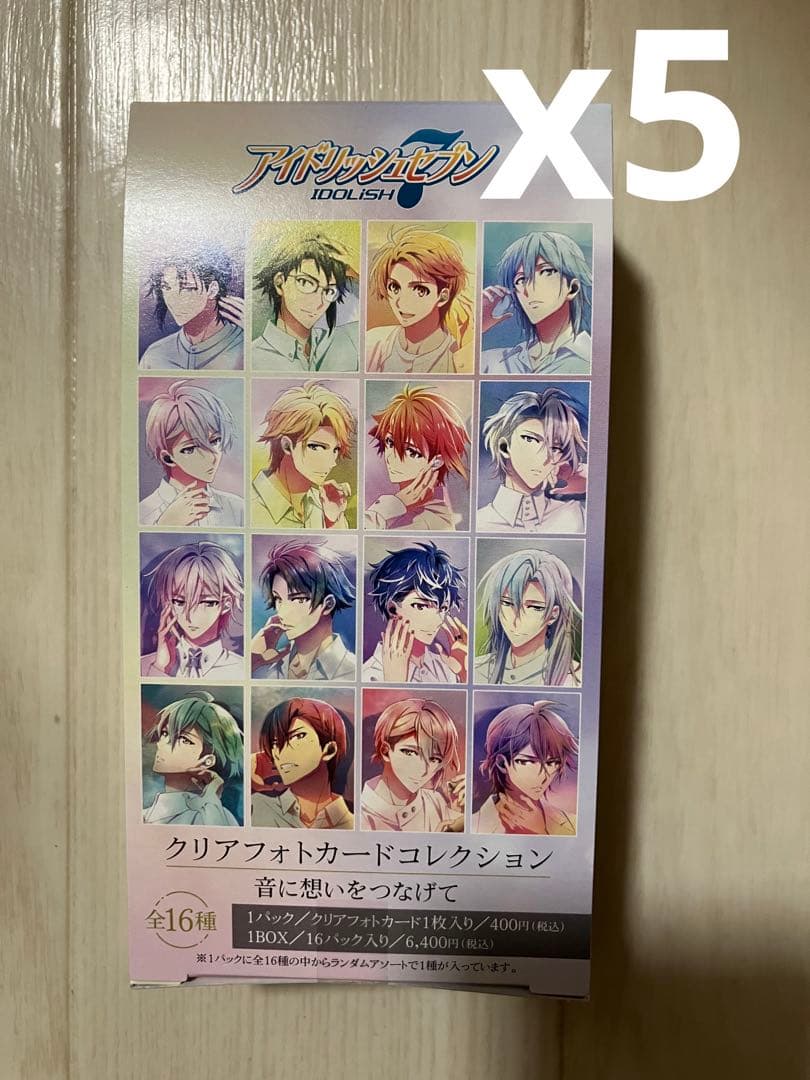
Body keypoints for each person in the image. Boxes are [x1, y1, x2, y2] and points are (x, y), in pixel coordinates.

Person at [481, 229, 592, 375]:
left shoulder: (591, 359)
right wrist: (476, 326)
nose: (529, 287)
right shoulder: (492, 361)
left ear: (572, 288)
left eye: (546, 272)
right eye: (521, 279)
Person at [477, 387, 587, 533]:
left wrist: (590, 481)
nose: (545, 457)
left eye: (555, 448)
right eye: (530, 440)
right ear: (504, 447)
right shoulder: (480, 523)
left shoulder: (576, 514)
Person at [366, 225, 473, 373]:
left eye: (419, 290)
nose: (401, 302)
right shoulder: (373, 343)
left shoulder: (457, 357)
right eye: (394, 287)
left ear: (443, 296)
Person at [252, 381, 356, 529]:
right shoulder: (250, 505)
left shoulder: (324, 503)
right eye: (317, 447)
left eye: (335, 450)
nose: (331, 463)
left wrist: (333, 521)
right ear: (287, 446)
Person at [365, 384, 469, 531]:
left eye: (411, 451)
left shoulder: (427, 520)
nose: (391, 458)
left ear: (437, 461)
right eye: (390, 442)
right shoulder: (405, 506)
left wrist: (389, 507)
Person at [139, 380, 244, 526]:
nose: (211, 456)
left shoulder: (237, 508)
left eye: (215, 441)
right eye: (191, 449)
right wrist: (165, 525)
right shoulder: (143, 514)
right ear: (168, 458)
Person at [251, 539, 356, 681]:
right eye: (278, 599)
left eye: (298, 599)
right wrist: (253, 660)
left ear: (328, 604)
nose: (282, 612)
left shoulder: (351, 671)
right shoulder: (265, 665)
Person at [363, 542, 466, 684]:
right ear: (392, 608)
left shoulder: (446, 667)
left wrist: (464, 675)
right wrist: (394, 683)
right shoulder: (371, 674)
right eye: (421, 606)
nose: (437, 621)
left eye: (443, 608)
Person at [252, 232, 358, 371]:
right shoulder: (254, 357)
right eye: (306, 282)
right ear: (280, 283)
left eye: (328, 291)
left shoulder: (342, 340)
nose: (318, 303)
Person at [475, 549, 582, 686]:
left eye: (534, 607)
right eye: (507, 603)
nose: (516, 619)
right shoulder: (476, 670)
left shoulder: (575, 680)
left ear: (553, 614)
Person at [473, 700, 578, 835]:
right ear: (501, 763)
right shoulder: (474, 825)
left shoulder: (572, 824)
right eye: (529, 762)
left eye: (552, 763)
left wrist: (542, 832)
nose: (543, 776)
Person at [140, 542, 244, 678]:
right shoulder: (145, 666)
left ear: (226, 604)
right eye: (179, 601)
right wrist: (160, 668)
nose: (191, 616)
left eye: (207, 602)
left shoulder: (241, 669)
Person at [360, 698, 464, 832]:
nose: (423, 769)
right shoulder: (361, 813)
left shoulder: (435, 801)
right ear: (385, 751)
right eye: (411, 752)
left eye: (434, 758)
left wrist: (456, 811)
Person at [251, 697, 354, 829]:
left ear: (329, 750)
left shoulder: (354, 822)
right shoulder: (257, 806)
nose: (279, 751)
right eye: (275, 743)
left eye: (297, 736)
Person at [143, 691, 244, 826]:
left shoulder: (214, 814)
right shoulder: (144, 815)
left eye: (184, 739)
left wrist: (211, 800)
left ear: (207, 760)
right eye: (165, 733)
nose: (164, 744)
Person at [139, 248, 244, 370]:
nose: (173, 300)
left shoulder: (244, 346)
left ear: (212, 289)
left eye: (186, 288)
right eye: (166, 287)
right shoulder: (154, 355)